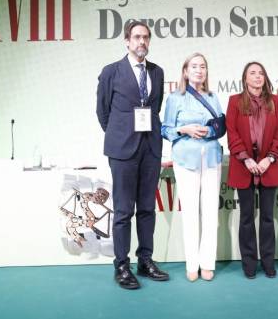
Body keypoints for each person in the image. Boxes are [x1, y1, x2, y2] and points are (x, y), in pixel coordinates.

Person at [96, 21, 169, 290]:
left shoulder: (157, 72)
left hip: (150, 148)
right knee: (124, 210)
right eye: (137, 37)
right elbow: (102, 111)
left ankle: (145, 260)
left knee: (147, 208)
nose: (142, 42)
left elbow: (154, 107)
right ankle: (122, 265)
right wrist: (120, 134)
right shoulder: (111, 72)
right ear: (127, 41)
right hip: (123, 150)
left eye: (146, 37)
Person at [161, 53, 224, 282]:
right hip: (186, 159)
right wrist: (184, 130)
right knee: (190, 213)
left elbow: (220, 126)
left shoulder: (213, 97)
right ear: (185, 71)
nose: (199, 70)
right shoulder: (175, 98)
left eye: (203, 66)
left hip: (211, 158)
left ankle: (207, 263)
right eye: (194, 66)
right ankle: (192, 264)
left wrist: (210, 131)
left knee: (210, 213)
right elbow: (165, 129)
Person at [226, 62, 278, 279]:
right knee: (246, 218)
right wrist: (246, 159)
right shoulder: (234, 101)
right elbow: (232, 133)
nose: (257, 76)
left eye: (261, 73)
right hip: (244, 167)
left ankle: (268, 262)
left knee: (268, 217)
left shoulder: (276, 101)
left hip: (269, 166)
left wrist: (270, 158)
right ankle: (249, 264)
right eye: (252, 73)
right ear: (245, 78)